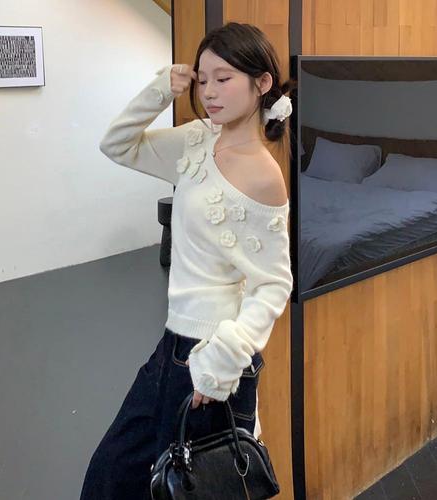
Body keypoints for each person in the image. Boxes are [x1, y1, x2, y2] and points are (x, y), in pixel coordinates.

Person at [79, 21, 296, 500]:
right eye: (203, 79)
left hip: (212, 356)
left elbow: (274, 283)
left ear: (262, 83)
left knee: (194, 489)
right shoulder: (197, 139)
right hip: (172, 345)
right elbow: (117, 144)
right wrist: (161, 88)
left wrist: (222, 362)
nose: (209, 92)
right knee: (111, 476)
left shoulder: (264, 176)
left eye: (224, 78)